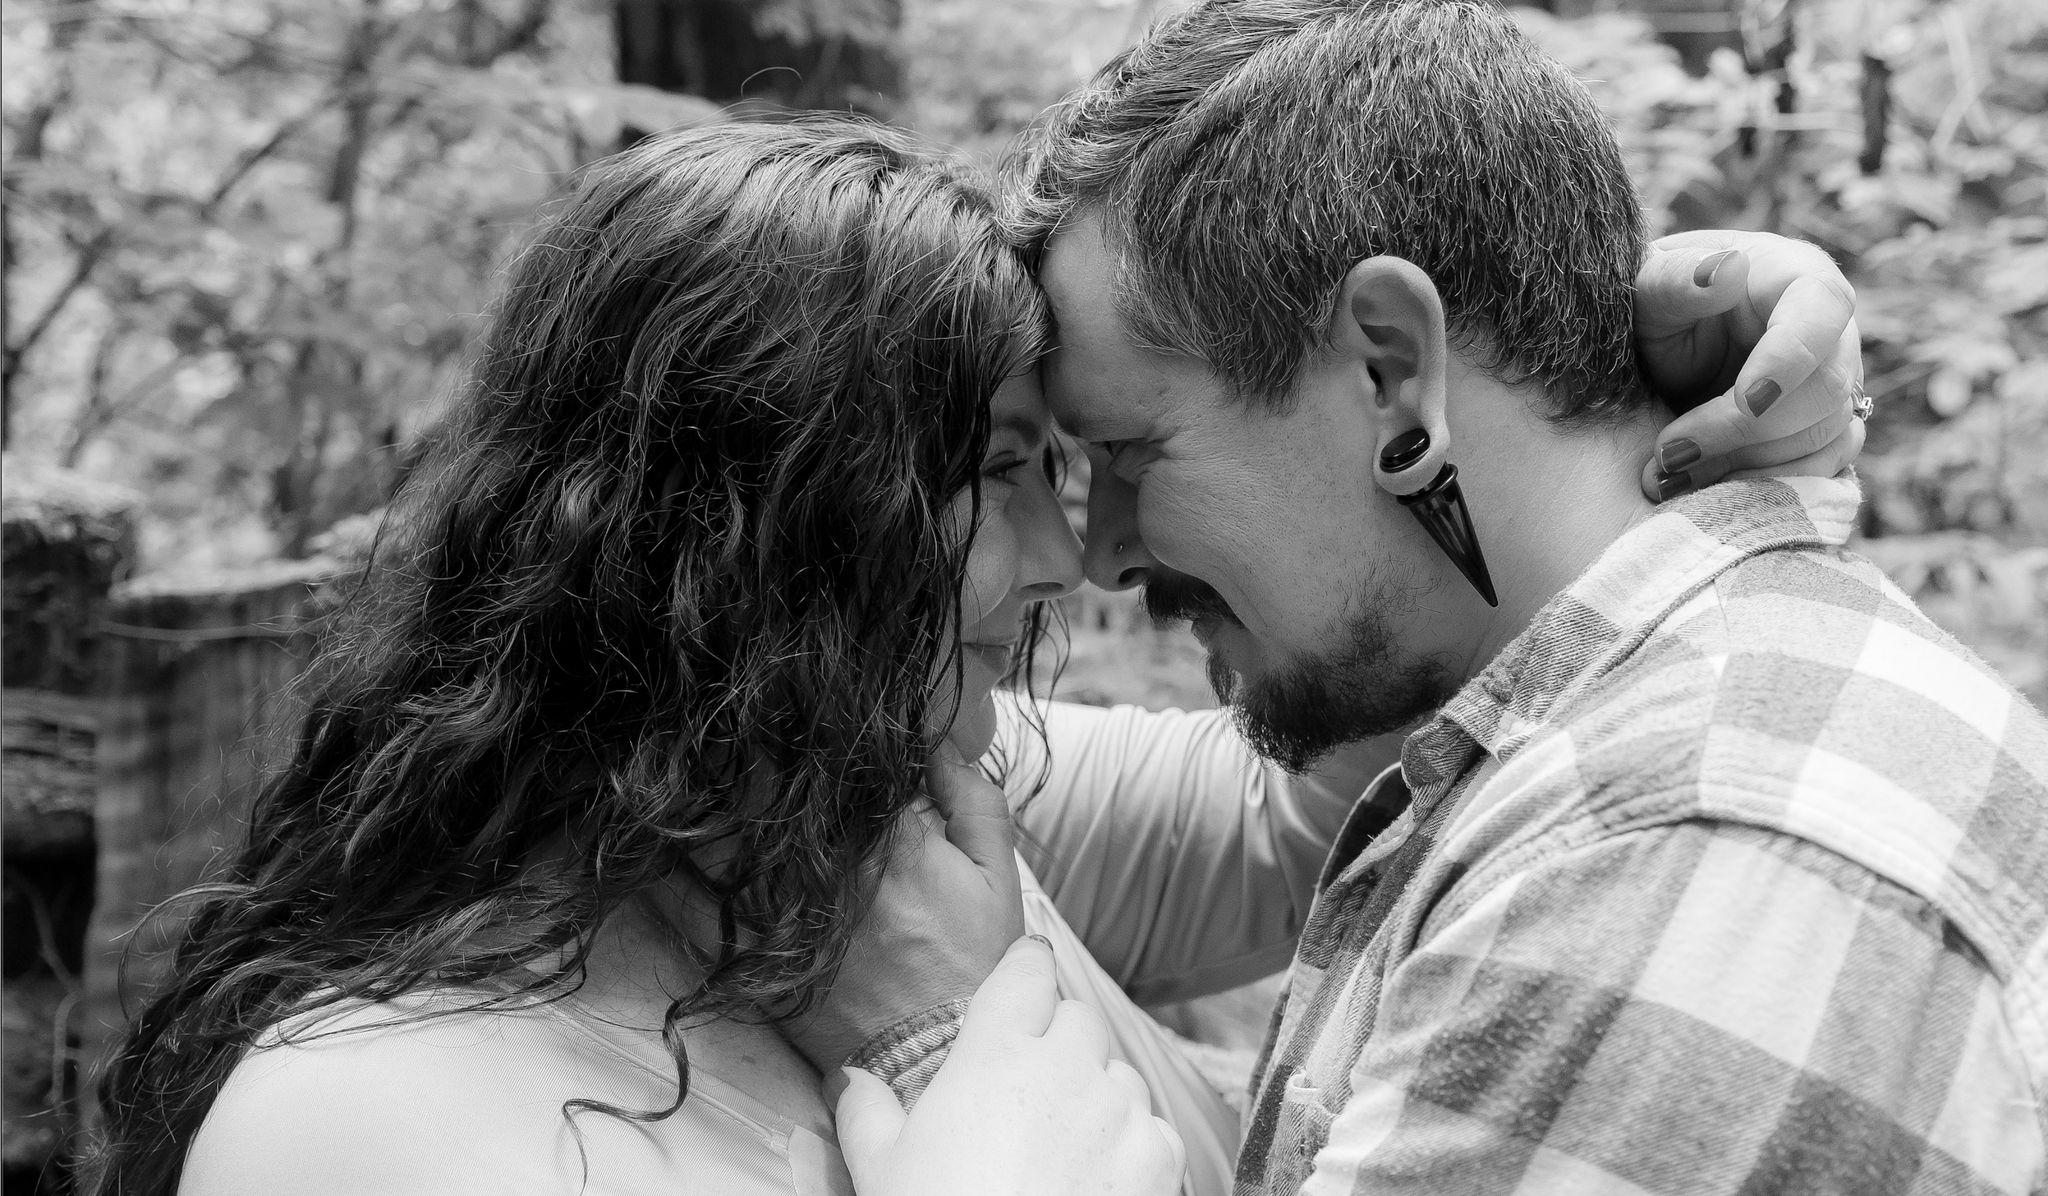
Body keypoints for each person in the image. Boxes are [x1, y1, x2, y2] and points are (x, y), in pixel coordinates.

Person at [92, 116, 1868, 1196]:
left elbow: (1371, 767)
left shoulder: (929, 801)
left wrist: (1582, 371)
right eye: (1005, 470)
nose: (1075, 557)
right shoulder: (372, 1128)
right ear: (764, 519)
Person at [830, 2, 2048, 1194]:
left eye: (1130, 452)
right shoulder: (1617, 761)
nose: (1095, 555)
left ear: (1391, 366)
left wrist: (957, 1055)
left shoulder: (1662, 861)